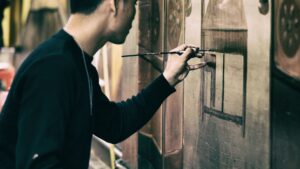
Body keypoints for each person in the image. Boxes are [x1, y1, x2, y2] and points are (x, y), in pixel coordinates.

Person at [0, 0, 195, 168]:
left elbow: (114, 124)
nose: (135, 14)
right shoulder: (54, 67)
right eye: (133, 3)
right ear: (113, 4)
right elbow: (40, 164)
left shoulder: (77, 62)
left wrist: (167, 78)